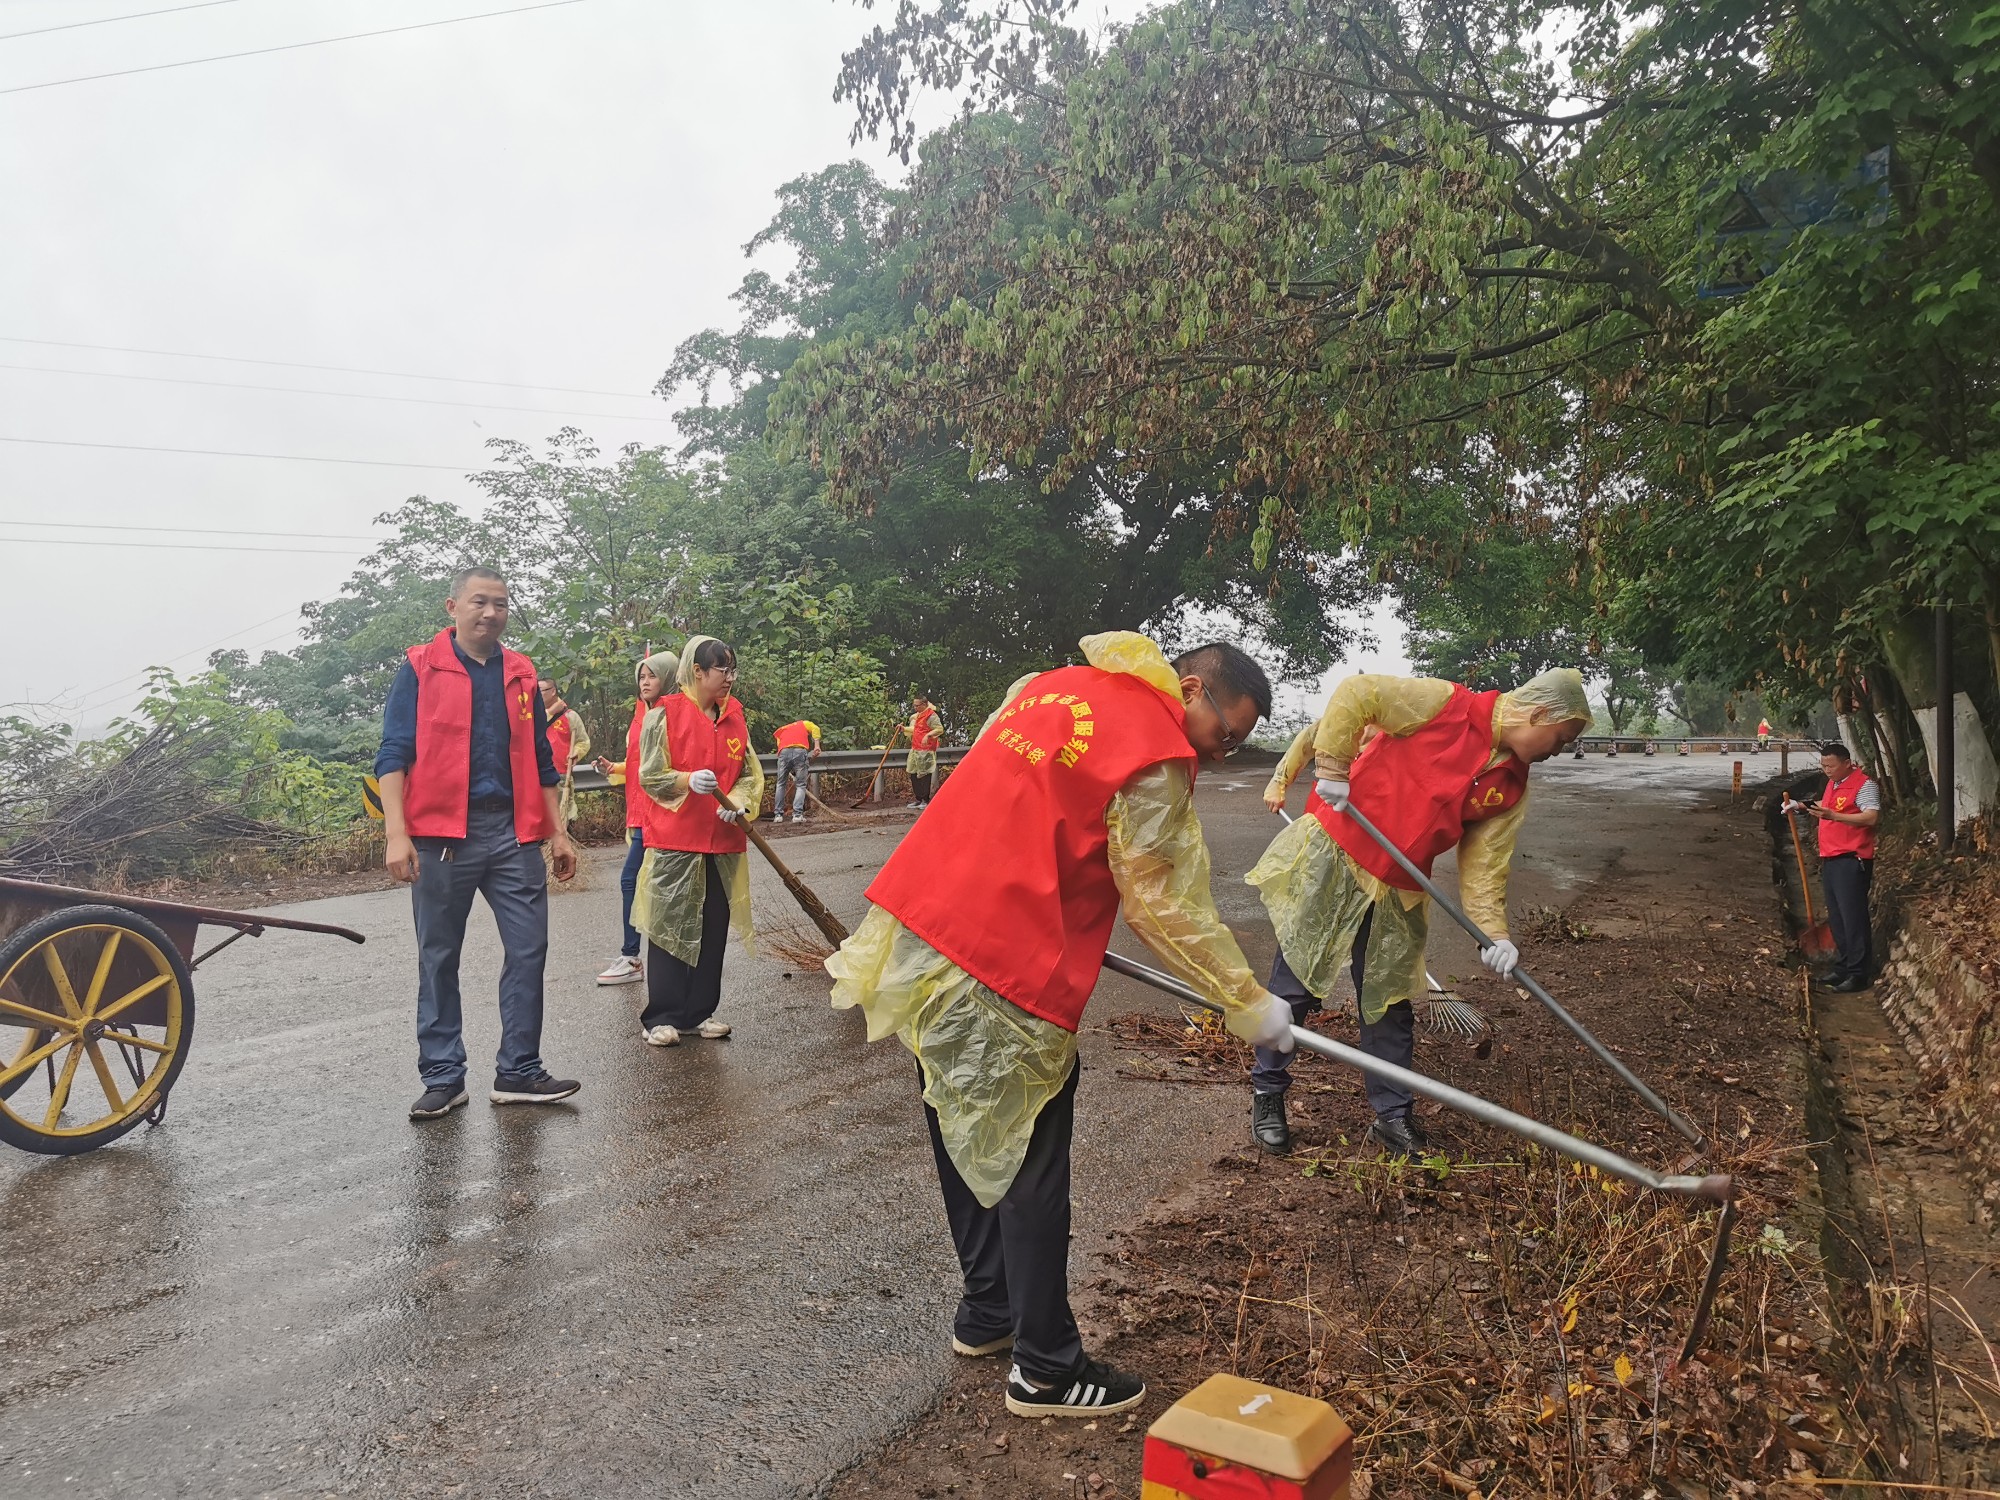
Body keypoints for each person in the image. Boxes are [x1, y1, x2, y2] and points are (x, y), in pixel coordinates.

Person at [826, 633, 1294, 1419]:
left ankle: (989, 1312)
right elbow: (1160, 898)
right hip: (1006, 954)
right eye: (1224, 736)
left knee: (963, 1118)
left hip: (924, 929)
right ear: (1189, 690)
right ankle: (1045, 1367)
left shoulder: (1053, 686)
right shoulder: (1152, 749)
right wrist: (1245, 997)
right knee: (1031, 1157)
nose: (1217, 756)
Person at [1245, 669, 1591, 1156]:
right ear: (1538, 715)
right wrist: (1333, 768)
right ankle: (1268, 1093)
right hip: (1339, 853)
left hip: (1403, 887)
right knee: (1295, 983)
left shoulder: (1511, 787)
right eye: (1561, 738)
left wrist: (1495, 935)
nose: (1560, 750)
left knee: (1389, 1003)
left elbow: (1486, 867)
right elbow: (1357, 694)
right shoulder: (1443, 704)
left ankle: (1392, 1116)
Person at [375, 566, 581, 1119]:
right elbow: (393, 753)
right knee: (439, 955)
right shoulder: (419, 668)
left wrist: (558, 832)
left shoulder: (520, 672)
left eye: (501, 604)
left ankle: (518, 1070)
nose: (491, 613)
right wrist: (397, 834)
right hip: (442, 836)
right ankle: (444, 1075)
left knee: (528, 948)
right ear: (453, 607)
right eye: (479, 602)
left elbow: (542, 759)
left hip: (513, 833)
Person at [631, 637, 765, 1046]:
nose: (729, 678)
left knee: (712, 926)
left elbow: (749, 773)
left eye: (732, 670)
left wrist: (739, 802)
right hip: (676, 842)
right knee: (670, 926)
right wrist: (687, 779)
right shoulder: (664, 716)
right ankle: (662, 1016)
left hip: (722, 842)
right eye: (722, 669)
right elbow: (650, 775)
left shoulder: (735, 718)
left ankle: (699, 1011)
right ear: (697, 671)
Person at [592, 657, 670, 987]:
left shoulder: (671, 713)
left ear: (668, 678)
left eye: (653, 676)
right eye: (641, 676)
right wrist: (616, 768)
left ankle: (634, 957)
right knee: (642, 884)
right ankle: (637, 957)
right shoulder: (641, 715)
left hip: (660, 814)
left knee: (638, 883)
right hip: (640, 813)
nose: (645, 681)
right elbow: (641, 763)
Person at [1784, 742, 1879, 992]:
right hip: (1831, 858)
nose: (1827, 770)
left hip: (1852, 860)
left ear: (1847, 763)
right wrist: (1801, 806)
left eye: (1831, 766)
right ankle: (1843, 967)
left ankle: (1858, 974)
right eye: (1823, 766)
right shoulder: (1834, 783)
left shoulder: (1864, 785)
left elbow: (1871, 816)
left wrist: (1834, 817)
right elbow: (1827, 805)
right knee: (1837, 918)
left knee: (1853, 919)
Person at [538, 678, 592, 829]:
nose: (537, 695)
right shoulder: (532, 715)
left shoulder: (570, 716)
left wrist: (575, 753)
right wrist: (550, 712)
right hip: (536, 776)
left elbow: (583, 741)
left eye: (540, 691)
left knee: (562, 819)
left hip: (560, 775)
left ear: (553, 691)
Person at [772, 717, 823, 822]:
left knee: (781, 783)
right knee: (800, 784)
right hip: (799, 751)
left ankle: (778, 815)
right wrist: (817, 745)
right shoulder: (803, 724)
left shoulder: (781, 730)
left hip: (783, 752)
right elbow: (816, 728)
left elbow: (780, 746)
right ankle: (797, 815)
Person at [906, 694, 944, 807]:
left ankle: (925, 799)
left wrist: (928, 735)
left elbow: (939, 729)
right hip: (915, 748)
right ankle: (918, 798)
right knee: (913, 772)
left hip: (926, 749)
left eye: (917, 706)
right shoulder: (917, 716)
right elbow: (915, 730)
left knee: (924, 774)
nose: (915, 708)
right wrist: (904, 729)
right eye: (914, 705)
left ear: (924, 704)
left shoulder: (931, 716)